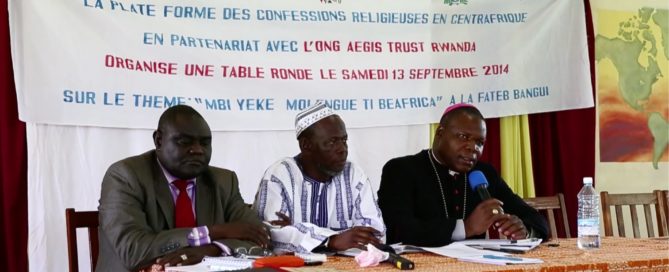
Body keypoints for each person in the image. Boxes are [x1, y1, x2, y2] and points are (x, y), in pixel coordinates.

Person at [97, 105, 270, 272]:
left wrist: (209, 250)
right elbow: (133, 251)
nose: (197, 150)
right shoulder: (125, 176)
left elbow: (259, 238)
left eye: (204, 143)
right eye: (184, 142)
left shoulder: (223, 181)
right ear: (159, 141)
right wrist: (212, 232)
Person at [378, 103, 548, 247]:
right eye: (463, 137)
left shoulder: (484, 173)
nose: (473, 148)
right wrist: (465, 228)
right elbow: (397, 229)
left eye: (479, 142)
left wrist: (524, 230)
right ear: (440, 134)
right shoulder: (401, 169)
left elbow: (536, 219)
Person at [253, 102, 385, 254]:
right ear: (306, 145)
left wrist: (298, 230)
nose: (343, 149)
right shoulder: (280, 175)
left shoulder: (353, 173)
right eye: (332, 142)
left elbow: (374, 232)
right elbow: (273, 234)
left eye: (344, 140)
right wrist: (332, 240)